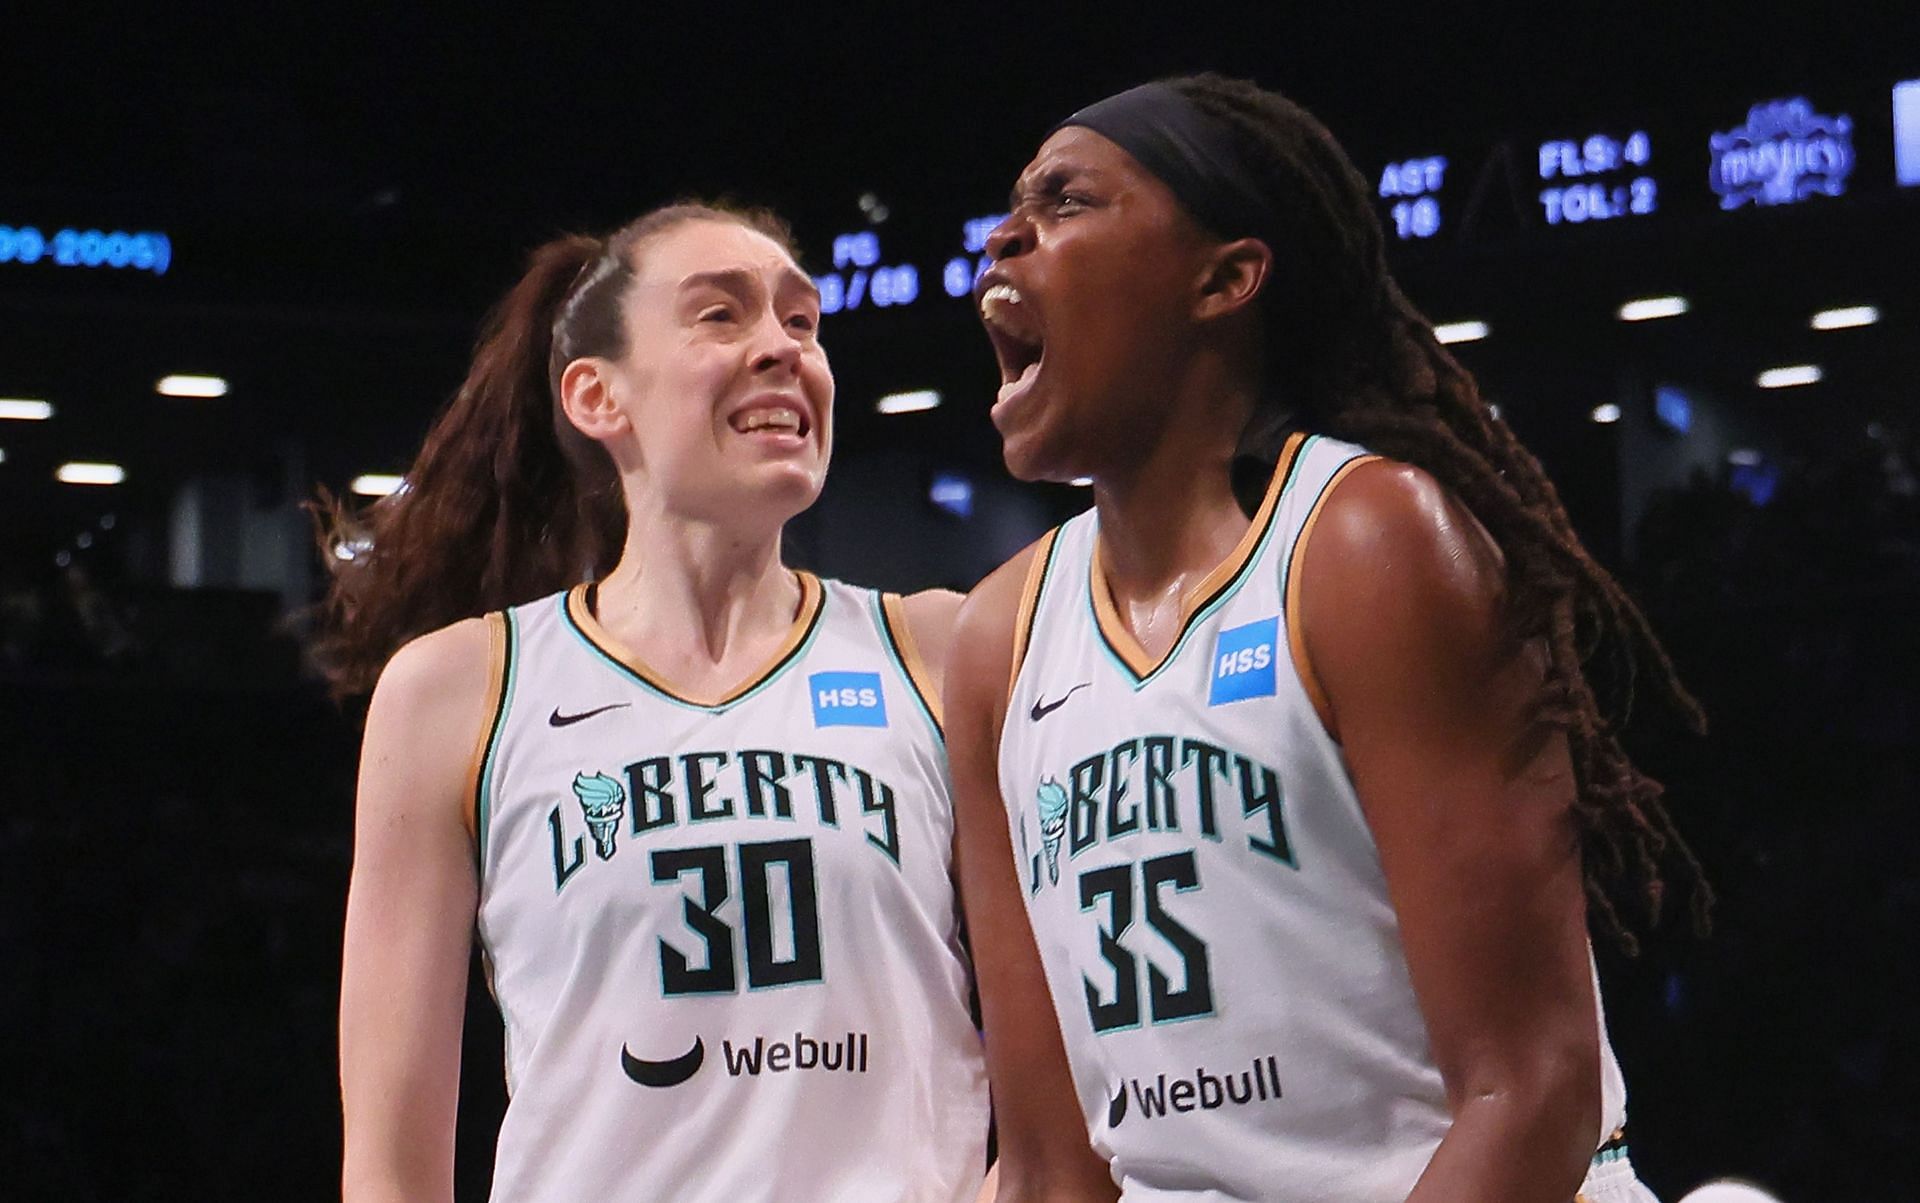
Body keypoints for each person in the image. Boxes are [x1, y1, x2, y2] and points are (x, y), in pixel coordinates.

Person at [945, 76, 1710, 1202]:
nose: (1007, 234)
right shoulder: (998, 637)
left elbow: (1532, 1088)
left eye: (1066, 202)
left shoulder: (1364, 544)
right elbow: (1056, 1170)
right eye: (1014, 206)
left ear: (1225, 280)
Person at [320, 202, 988, 1202]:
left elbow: (1062, 1067)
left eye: (802, 323)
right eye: (722, 317)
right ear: (598, 396)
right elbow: (388, 1165)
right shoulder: (460, 692)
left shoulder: (941, 649)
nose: (782, 347)